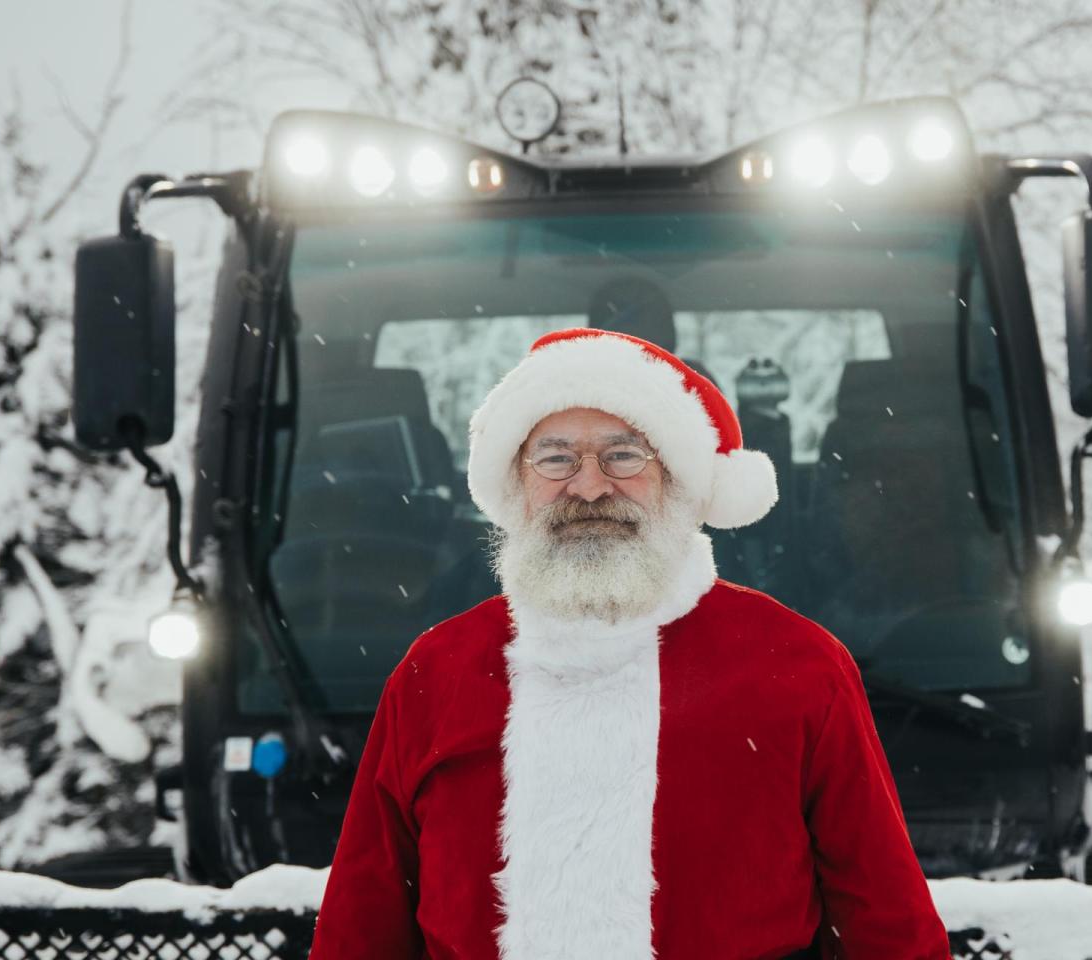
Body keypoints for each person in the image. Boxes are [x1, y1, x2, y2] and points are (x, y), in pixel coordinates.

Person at [307, 328, 951, 959]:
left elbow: (889, 930)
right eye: (556, 458)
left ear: (676, 477)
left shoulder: (799, 667)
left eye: (623, 455)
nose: (588, 487)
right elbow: (360, 933)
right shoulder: (434, 674)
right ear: (517, 483)